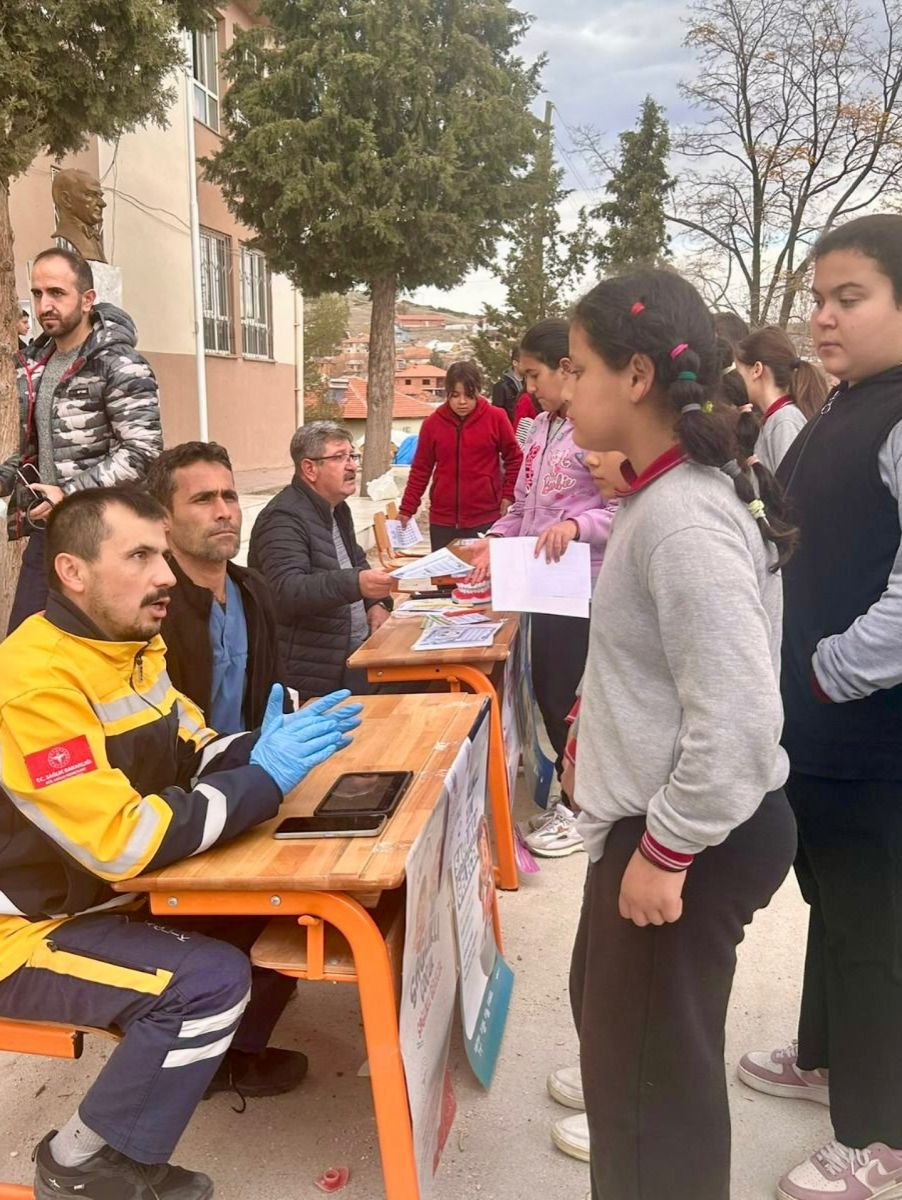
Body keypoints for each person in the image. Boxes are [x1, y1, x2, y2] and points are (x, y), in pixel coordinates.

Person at [0, 485, 361, 1200]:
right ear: (73, 572)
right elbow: (122, 842)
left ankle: (219, 1060)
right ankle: (83, 1165)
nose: (166, 574)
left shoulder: (130, 649)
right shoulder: (31, 683)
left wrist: (258, 747)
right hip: (28, 931)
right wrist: (262, 779)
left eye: (162, 555)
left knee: (281, 902)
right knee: (206, 981)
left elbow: (195, 748)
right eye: (140, 556)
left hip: (105, 898)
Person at [564, 268, 798, 1200]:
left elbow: (738, 717)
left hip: (689, 835)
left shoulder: (682, 518)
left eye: (577, 368)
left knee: (652, 1106)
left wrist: (666, 851)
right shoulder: (662, 495)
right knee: (627, 1059)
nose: (565, 390)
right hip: (667, 823)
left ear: (634, 377)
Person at [738, 214, 902, 1200]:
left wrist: (826, 671)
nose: (824, 317)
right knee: (835, 905)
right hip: (817, 729)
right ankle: (824, 1055)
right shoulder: (841, 408)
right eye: (817, 299)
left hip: (871, 735)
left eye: (850, 297)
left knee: (873, 928)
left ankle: (879, 1134)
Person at [467, 319, 616, 858]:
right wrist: (493, 539)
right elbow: (523, 507)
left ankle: (584, 811)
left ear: (566, 368)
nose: (528, 388)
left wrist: (578, 526)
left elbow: (624, 509)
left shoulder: (598, 429)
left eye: (534, 375)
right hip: (538, 585)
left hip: (584, 587)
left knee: (571, 698)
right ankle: (573, 800)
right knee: (548, 695)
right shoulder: (540, 428)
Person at [0, 248, 162, 634]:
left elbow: (143, 452)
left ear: (88, 299)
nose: (45, 305)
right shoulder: (35, 365)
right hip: (50, 533)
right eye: (37, 294)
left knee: (99, 650)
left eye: (57, 292)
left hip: (106, 539)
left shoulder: (120, 364)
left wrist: (68, 493)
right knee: (25, 648)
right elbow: (37, 450)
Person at [248, 421, 394, 701]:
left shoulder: (337, 509)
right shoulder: (282, 519)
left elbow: (356, 562)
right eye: (339, 457)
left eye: (353, 456)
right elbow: (288, 590)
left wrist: (376, 604)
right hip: (316, 671)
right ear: (309, 469)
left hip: (354, 649)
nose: (352, 466)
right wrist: (356, 584)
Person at [146, 441, 284, 733]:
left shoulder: (254, 590)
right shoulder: (149, 608)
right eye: (203, 499)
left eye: (229, 497)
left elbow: (274, 694)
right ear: (163, 517)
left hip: (257, 756)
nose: (224, 512)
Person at [399, 360, 522, 550]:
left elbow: (514, 459)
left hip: (486, 516)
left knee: (482, 569)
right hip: (443, 520)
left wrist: (509, 495)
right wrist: (407, 509)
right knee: (445, 570)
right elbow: (420, 470)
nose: (462, 402)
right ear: (447, 393)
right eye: (455, 395)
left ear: (478, 391)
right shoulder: (432, 424)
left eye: (469, 395)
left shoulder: (496, 417)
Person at [733, 325, 830, 473]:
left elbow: (791, 484)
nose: (736, 379)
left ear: (757, 370)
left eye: (739, 371)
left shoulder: (785, 421)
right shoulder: (775, 419)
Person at [490, 348, 523, 426]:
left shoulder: (530, 384)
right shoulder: (501, 386)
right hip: (509, 429)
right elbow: (497, 416)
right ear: (515, 363)